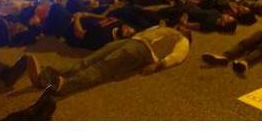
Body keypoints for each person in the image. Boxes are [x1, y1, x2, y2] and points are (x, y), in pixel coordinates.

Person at [26, 24, 192, 97]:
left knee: (103, 67)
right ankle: (47, 78)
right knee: (92, 59)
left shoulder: (182, 40)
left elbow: (176, 57)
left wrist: (157, 65)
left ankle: (64, 86)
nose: (182, 26)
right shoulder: (165, 27)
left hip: (144, 51)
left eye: (185, 28)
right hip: (133, 41)